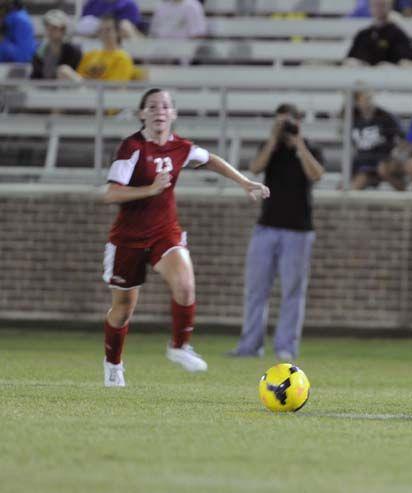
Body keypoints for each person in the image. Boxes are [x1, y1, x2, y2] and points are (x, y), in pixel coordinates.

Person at [101, 88, 270, 387]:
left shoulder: (181, 147)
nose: (159, 111)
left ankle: (179, 346)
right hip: (128, 238)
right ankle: (113, 364)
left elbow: (210, 159)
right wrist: (150, 189)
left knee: (185, 283)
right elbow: (111, 193)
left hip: (165, 231)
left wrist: (244, 183)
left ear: (174, 114)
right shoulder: (132, 148)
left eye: (165, 106)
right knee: (123, 308)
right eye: (152, 106)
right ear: (142, 114)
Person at [228, 104, 324, 360]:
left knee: (292, 290)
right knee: (256, 288)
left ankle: (286, 347)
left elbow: (316, 174)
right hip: (266, 227)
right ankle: (249, 345)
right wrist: (273, 139)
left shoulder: (310, 147)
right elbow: (256, 169)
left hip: (299, 231)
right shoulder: (270, 147)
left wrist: (299, 144)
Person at [350, 90, 404, 190]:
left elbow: (402, 139)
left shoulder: (386, 117)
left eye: (370, 98)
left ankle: (406, 196)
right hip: (361, 162)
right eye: (364, 99)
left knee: (381, 171)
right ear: (357, 101)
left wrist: (393, 156)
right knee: (347, 184)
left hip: (382, 160)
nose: (368, 102)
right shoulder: (353, 117)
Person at [61, 15, 136, 82]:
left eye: (108, 30)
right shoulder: (90, 55)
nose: (104, 33)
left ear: (117, 32)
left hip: (103, 94)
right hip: (84, 92)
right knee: (64, 70)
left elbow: (115, 88)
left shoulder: (122, 58)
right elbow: (80, 77)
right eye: (101, 30)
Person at [344, 0, 412, 66]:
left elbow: (405, 59)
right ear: (370, 7)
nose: (379, 9)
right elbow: (352, 57)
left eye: (382, 5)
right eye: (375, 5)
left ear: (389, 7)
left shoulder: (398, 34)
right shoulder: (363, 35)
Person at [31, 10, 82, 80]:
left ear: (63, 30)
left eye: (54, 28)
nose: (49, 30)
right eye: (47, 26)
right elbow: (35, 77)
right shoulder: (39, 52)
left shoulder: (73, 51)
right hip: (42, 90)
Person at [76, 0, 144, 39]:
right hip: (94, 37)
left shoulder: (129, 4)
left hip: (119, 39)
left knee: (125, 26)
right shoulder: (92, 3)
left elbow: (129, 29)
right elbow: (82, 24)